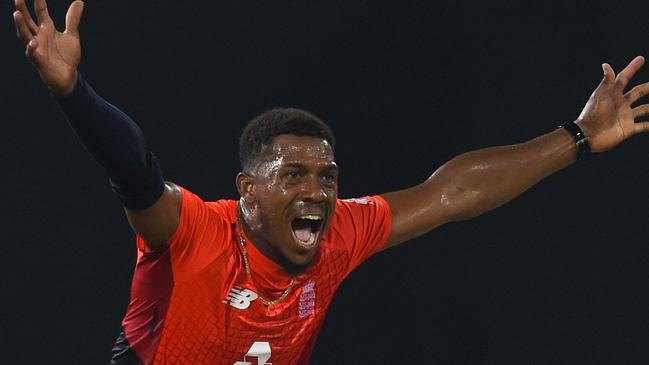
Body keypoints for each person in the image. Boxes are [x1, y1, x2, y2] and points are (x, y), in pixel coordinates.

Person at [12, 0, 649, 363]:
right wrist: (73, 95)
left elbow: (451, 193)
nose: (317, 191)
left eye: (327, 176)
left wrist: (580, 137)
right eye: (293, 175)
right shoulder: (192, 232)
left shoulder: (340, 230)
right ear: (247, 190)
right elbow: (134, 171)